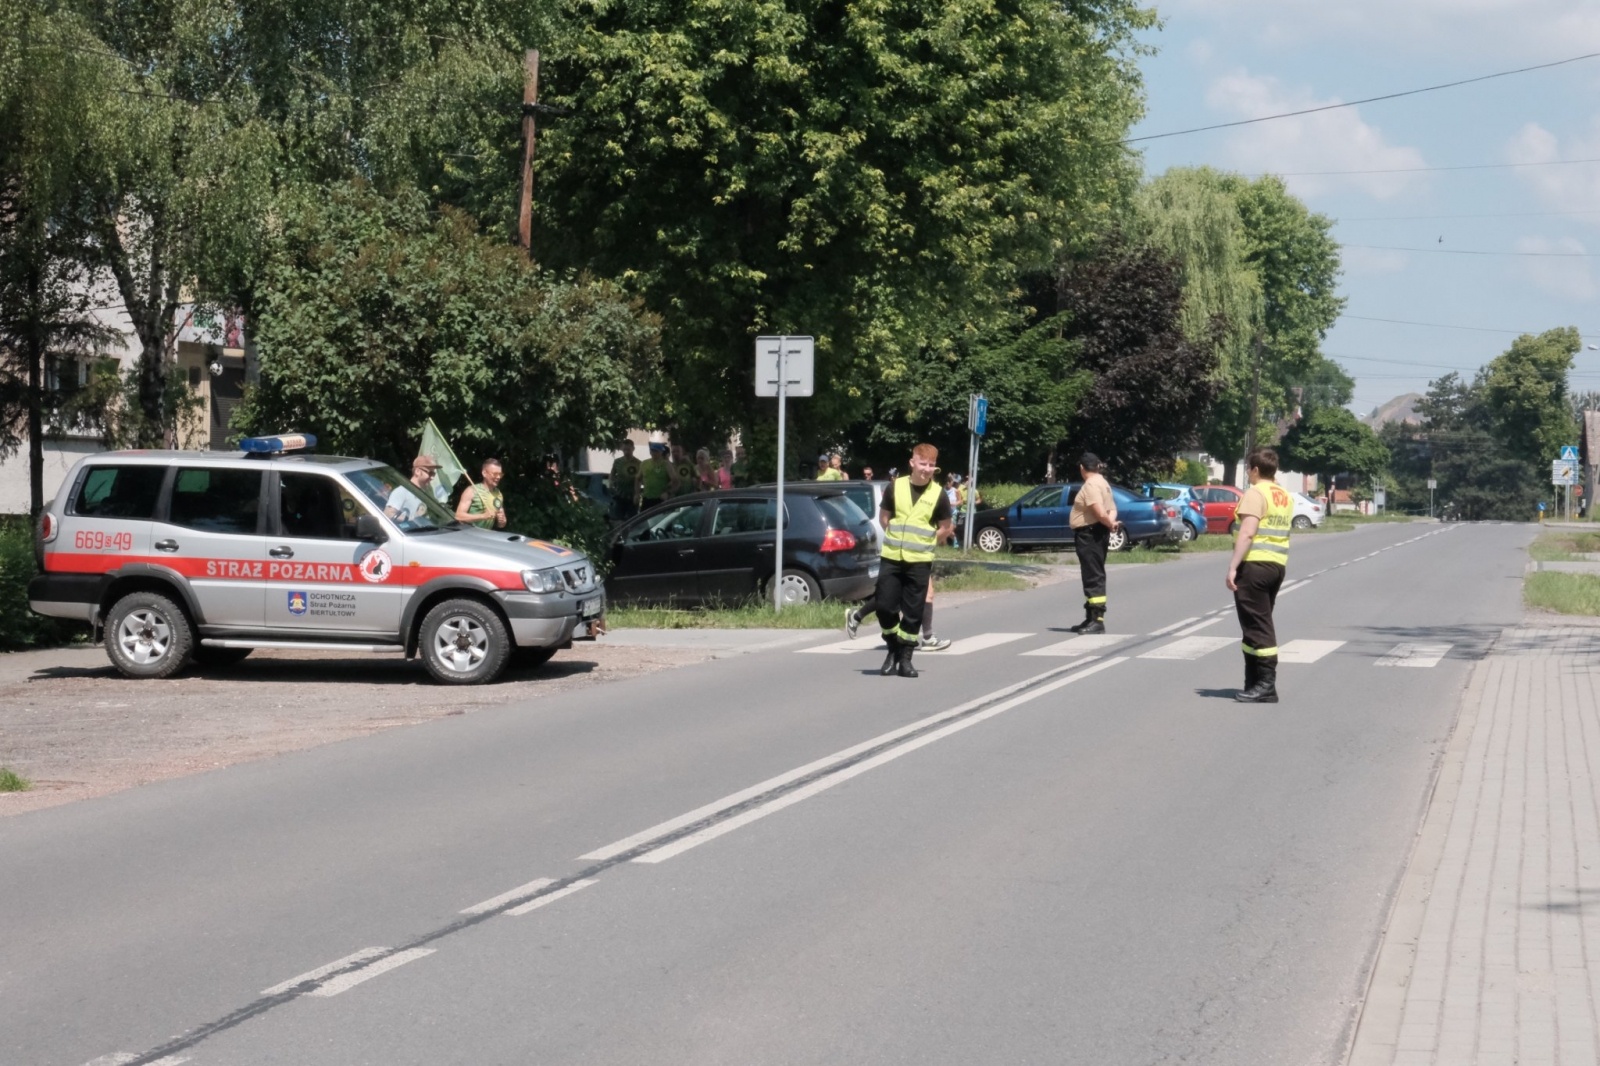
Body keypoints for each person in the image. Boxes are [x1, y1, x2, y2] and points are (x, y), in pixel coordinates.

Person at [870, 443, 954, 678]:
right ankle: (893, 648)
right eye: (923, 463)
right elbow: (884, 518)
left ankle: (905, 659)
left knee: (913, 613)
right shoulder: (895, 487)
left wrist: (926, 542)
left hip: (919, 561)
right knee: (885, 607)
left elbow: (946, 528)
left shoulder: (938, 493)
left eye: (931, 465)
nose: (927, 469)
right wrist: (899, 538)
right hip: (892, 558)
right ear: (912, 462)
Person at [1226, 447, 1294, 704]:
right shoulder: (1283, 495)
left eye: (1248, 469)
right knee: (1254, 625)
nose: (1248, 474)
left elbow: (1247, 533)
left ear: (1255, 470)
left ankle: (1266, 685)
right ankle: (1253, 681)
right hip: (1276, 565)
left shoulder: (1256, 493)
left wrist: (1233, 566)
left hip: (1254, 566)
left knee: (1259, 626)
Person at [1068, 452, 1118, 635]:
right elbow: (1112, 509)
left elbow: (1098, 511)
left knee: (1093, 576)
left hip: (1090, 534)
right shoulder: (1103, 483)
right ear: (1097, 466)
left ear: (1082, 468)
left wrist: (1108, 522)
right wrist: (1111, 523)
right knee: (1091, 574)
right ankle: (1090, 617)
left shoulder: (1091, 485)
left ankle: (1097, 620)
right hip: (1097, 532)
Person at [384, 454, 440, 524]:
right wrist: (413, 517)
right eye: (430, 473)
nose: (432, 478)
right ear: (417, 471)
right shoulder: (401, 492)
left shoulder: (425, 493)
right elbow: (388, 515)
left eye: (433, 474)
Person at [456, 457, 507, 529]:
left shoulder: (498, 494)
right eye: (495, 474)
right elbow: (459, 516)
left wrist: (502, 521)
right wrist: (483, 516)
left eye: (500, 474)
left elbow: (501, 525)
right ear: (484, 473)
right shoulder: (471, 490)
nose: (498, 477)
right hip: (468, 535)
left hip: (484, 536)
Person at [609, 440, 642, 520]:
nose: (626, 452)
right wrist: (611, 483)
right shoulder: (617, 461)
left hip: (632, 496)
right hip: (619, 495)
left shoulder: (638, 463)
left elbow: (641, 478)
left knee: (632, 520)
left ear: (633, 449)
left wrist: (637, 494)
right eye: (624, 450)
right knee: (618, 518)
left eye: (628, 449)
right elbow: (612, 473)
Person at [639, 443, 674, 508]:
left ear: (661, 452)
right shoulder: (644, 463)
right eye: (652, 451)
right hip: (647, 497)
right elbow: (637, 479)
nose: (654, 453)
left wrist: (667, 492)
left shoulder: (666, 465)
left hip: (660, 498)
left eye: (656, 451)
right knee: (645, 517)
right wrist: (636, 494)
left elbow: (675, 481)